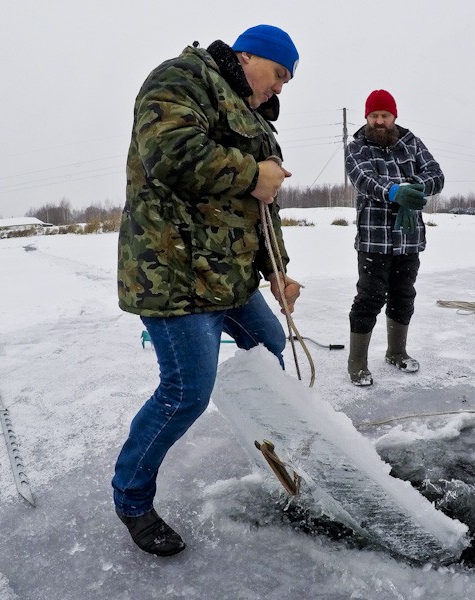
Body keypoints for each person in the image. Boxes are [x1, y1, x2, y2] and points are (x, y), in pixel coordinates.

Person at [113, 24, 302, 556]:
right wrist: (253, 173)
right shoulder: (181, 79)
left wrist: (277, 271)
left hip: (232, 279)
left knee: (270, 350)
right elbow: (169, 152)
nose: (281, 88)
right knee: (184, 395)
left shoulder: (257, 119)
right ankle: (131, 500)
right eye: (279, 74)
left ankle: (276, 454)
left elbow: (260, 208)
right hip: (174, 277)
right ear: (249, 56)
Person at [344, 90, 445, 386]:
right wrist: (393, 191)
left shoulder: (411, 142)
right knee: (369, 298)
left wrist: (413, 188)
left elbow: (436, 175)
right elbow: (363, 179)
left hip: (408, 237)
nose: (379, 121)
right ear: (366, 117)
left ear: (394, 117)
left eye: (384, 116)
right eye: (373, 116)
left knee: (404, 296)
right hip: (374, 239)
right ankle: (357, 363)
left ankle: (396, 352)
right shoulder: (356, 147)